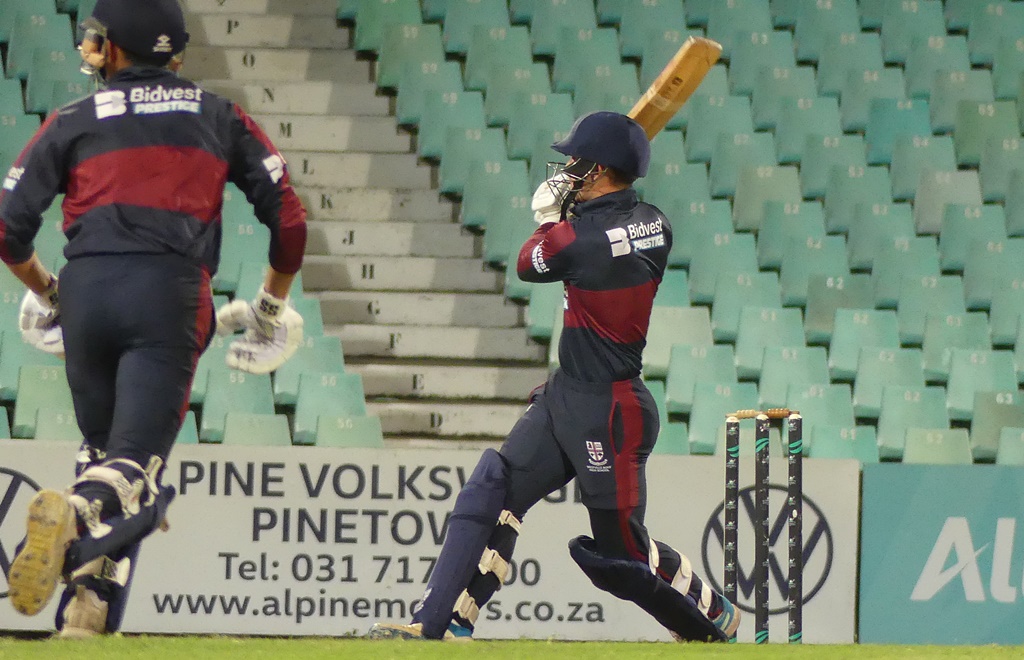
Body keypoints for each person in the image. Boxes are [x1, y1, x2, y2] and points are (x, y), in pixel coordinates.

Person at [368, 111, 738, 643]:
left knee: (621, 556)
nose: (566, 169)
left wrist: (548, 219)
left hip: (609, 413)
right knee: (491, 488)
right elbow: (614, 227)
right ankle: (438, 625)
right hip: (569, 394)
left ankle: (707, 613)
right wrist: (576, 210)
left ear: (600, 168)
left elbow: (526, 262)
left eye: (574, 161)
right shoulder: (655, 221)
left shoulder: (574, 240)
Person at [3, 0, 306, 637]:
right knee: (135, 466)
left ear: (113, 49)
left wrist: (51, 291)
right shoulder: (220, 115)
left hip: (85, 289)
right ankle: (78, 514)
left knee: (105, 453)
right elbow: (289, 220)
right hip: (168, 291)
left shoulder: (72, 118)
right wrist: (270, 307)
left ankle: (84, 617)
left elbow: (8, 229)